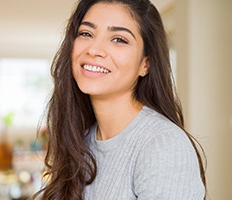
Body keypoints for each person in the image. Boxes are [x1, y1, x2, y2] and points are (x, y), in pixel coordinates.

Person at [32, 0, 206, 199]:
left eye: (119, 39)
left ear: (145, 64)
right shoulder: (82, 140)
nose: (94, 49)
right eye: (86, 34)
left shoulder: (162, 145)